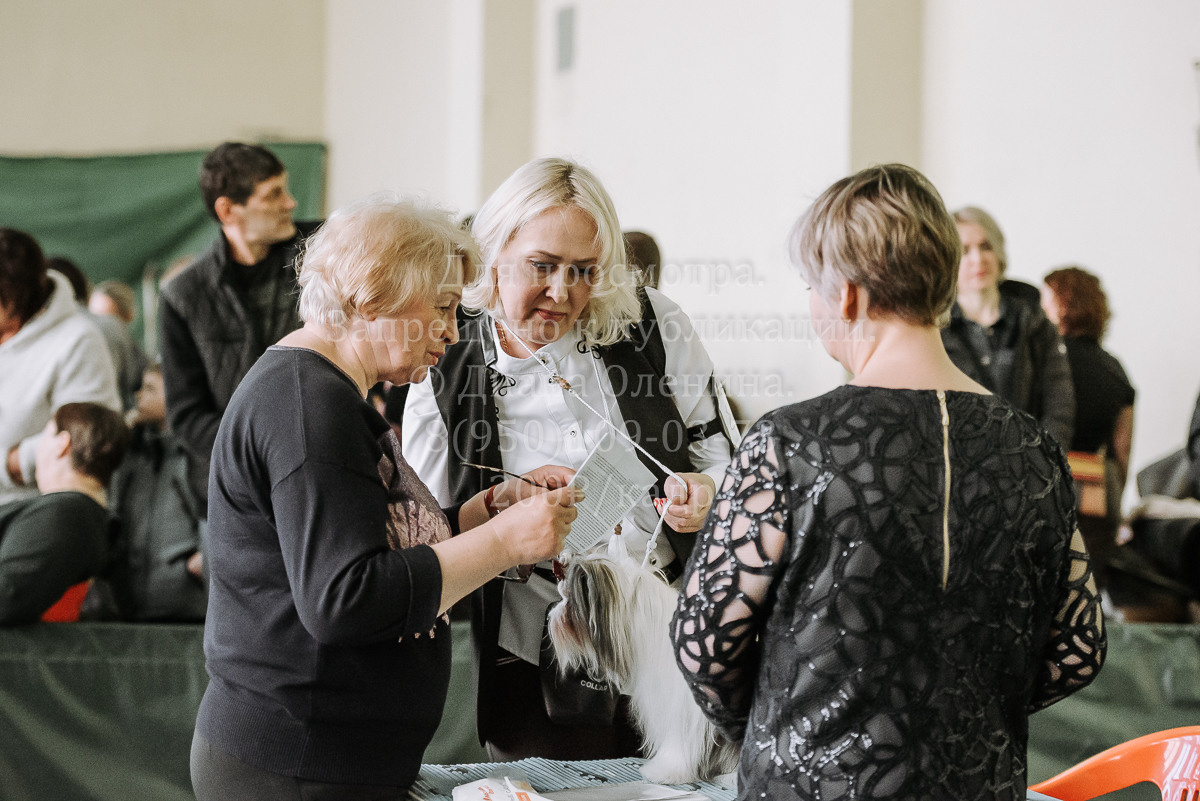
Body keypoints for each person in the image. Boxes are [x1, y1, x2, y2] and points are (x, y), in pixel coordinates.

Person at [671, 164, 1106, 800]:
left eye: (812, 287)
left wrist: (780, 723)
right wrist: (964, 715)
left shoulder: (791, 445)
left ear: (846, 295)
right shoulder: (1033, 450)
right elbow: (1079, 646)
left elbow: (704, 643)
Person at [190, 196, 581, 800]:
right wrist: (504, 544)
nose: (452, 331)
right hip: (299, 768)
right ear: (375, 294)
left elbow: (365, 542)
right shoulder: (309, 406)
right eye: (443, 307)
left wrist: (476, 517)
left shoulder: (321, 393)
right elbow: (345, 599)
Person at [403, 157, 736, 761]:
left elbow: (727, 461)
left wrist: (706, 493)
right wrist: (504, 522)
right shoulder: (446, 355)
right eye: (542, 266)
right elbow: (426, 533)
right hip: (535, 652)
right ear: (495, 252)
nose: (562, 292)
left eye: (583, 271)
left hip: (669, 637)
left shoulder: (652, 324)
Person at [158, 142, 320, 518]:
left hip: (317, 472)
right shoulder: (183, 295)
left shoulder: (321, 254)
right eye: (273, 194)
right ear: (228, 210)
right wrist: (266, 451)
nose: (291, 203)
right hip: (234, 496)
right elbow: (186, 416)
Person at [1, 229, 121, 506]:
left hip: (31, 511)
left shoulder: (77, 339)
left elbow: (90, 437)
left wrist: (11, 463)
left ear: (17, 296)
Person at [940, 206, 1075, 447]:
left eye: (986, 246)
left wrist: (1044, 458)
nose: (978, 259)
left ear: (999, 253)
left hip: (1030, 459)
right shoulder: (935, 329)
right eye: (965, 250)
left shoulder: (1035, 322)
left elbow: (1059, 404)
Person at [0, 402, 129, 625]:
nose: (38, 450)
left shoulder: (66, 513)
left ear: (62, 443)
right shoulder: (79, 515)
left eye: (44, 436)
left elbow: (7, 596)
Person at [98, 363, 207, 622]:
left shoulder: (199, 455)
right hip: (126, 607)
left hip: (186, 608)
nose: (138, 395)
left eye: (150, 388)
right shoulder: (130, 453)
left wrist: (197, 566)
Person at [1042, 266, 1135, 560]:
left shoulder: (1045, 360)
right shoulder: (1115, 368)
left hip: (1048, 488)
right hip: (1098, 492)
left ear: (1063, 305)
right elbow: (1122, 451)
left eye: (1045, 300)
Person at [87, 277, 150, 412]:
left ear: (127, 316)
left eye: (109, 322)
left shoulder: (144, 371)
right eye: (93, 318)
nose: (101, 327)